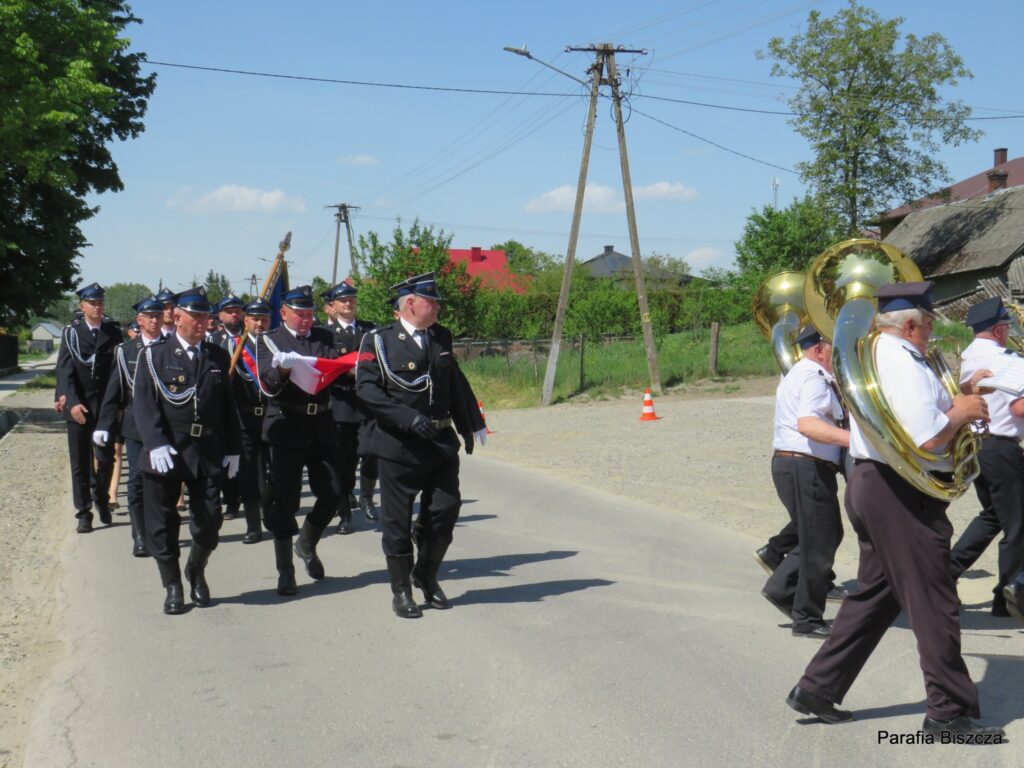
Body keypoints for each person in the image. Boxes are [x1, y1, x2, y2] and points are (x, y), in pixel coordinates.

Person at [786, 281, 1005, 740]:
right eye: (927, 327)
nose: (930, 335)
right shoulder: (899, 359)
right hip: (897, 491)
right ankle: (948, 712)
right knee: (935, 599)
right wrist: (961, 412)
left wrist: (958, 397)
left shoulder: (889, 355)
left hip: (880, 485)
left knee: (876, 595)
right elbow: (926, 436)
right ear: (910, 323)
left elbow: (918, 419)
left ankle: (817, 688)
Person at [356, 272, 486, 619]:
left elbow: (453, 381)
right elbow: (367, 390)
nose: (438, 306)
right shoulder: (378, 341)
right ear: (410, 303)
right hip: (400, 445)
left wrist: (470, 423)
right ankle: (401, 591)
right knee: (397, 521)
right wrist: (406, 418)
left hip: (440, 442)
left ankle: (426, 574)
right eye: (432, 300)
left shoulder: (441, 336)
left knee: (446, 510)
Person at [132, 286, 241, 614]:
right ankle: (173, 584)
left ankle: (196, 569)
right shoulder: (154, 356)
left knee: (209, 523)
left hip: (206, 447)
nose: (202, 322)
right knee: (162, 524)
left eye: (205, 316)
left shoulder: (217, 355)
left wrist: (233, 448)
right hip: (167, 447)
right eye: (195, 316)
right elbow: (144, 404)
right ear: (176, 317)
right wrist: (155, 444)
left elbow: (226, 406)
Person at [761, 325, 848, 639]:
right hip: (804, 465)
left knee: (822, 535)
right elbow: (808, 424)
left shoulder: (797, 374)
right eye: (833, 348)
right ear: (820, 349)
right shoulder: (813, 378)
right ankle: (806, 617)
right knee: (820, 541)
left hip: (796, 464)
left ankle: (783, 589)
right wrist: (853, 440)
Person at [253, 285, 341, 595]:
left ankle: (307, 542)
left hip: (321, 424)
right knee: (286, 501)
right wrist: (284, 369)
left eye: (309, 314)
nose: (306, 320)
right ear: (284, 313)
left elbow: (336, 370)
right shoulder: (270, 340)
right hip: (288, 424)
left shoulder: (325, 338)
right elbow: (267, 382)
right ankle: (285, 571)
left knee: (333, 493)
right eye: (300, 314)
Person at [948, 297, 1024, 617]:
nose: (1009, 332)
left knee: (992, 517)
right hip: (1002, 447)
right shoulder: (1010, 358)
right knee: (1018, 525)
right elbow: (1018, 407)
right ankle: (1008, 599)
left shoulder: (968, 357)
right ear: (998, 329)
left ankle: (944, 573)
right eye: (1007, 327)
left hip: (975, 445)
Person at [94, 295, 166, 556]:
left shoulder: (171, 348)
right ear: (140, 320)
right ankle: (139, 534)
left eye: (159, 316)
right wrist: (104, 423)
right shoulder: (125, 352)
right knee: (136, 480)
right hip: (135, 426)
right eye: (150, 317)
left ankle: (160, 529)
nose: (155, 321)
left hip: (165, 427)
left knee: (162, 482)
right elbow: (114, 391)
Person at [55, 282, 124, 533]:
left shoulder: (113, 332)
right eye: (92, 303)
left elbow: (119, 371)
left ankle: (101, 496)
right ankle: (83, 512)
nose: (97, 307)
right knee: (80, 463)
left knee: (106, 458)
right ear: (82, 306)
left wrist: (118, 404)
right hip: (79, 406)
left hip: (105, 406)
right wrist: (72, 403)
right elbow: (64, 370)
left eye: (100, 302)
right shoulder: (71, 333)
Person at [322, 281, 377, 534]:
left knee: (371, 452)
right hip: (341, 405)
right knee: (343, 463)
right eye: (343, 300)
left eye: (352, 299)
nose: (348, 303)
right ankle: (344, 513)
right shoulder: (325, 334)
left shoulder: (370, 331)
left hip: (367, 404)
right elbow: (326, 367)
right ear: (333, 305)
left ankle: (366, 496)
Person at [226, 298, 273, 544]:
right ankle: (253, 524)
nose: (260, 324)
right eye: (255, 319)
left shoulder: (277, 344)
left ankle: (273, 515)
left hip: (274, 418)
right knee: (250, 476)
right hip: (245, 420)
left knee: (276, 474)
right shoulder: (231, 346)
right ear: (246, 321)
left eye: (264, 319)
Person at [210, 294, 246, 520]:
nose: (235, 314)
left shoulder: (250, 338)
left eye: (238, 310)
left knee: (244, 456)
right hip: (222, 406)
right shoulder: (213, 341)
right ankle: (230, 500)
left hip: (247, 405)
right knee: (224, 455)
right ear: (220, 316)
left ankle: (247, 497)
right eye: (230, 311)